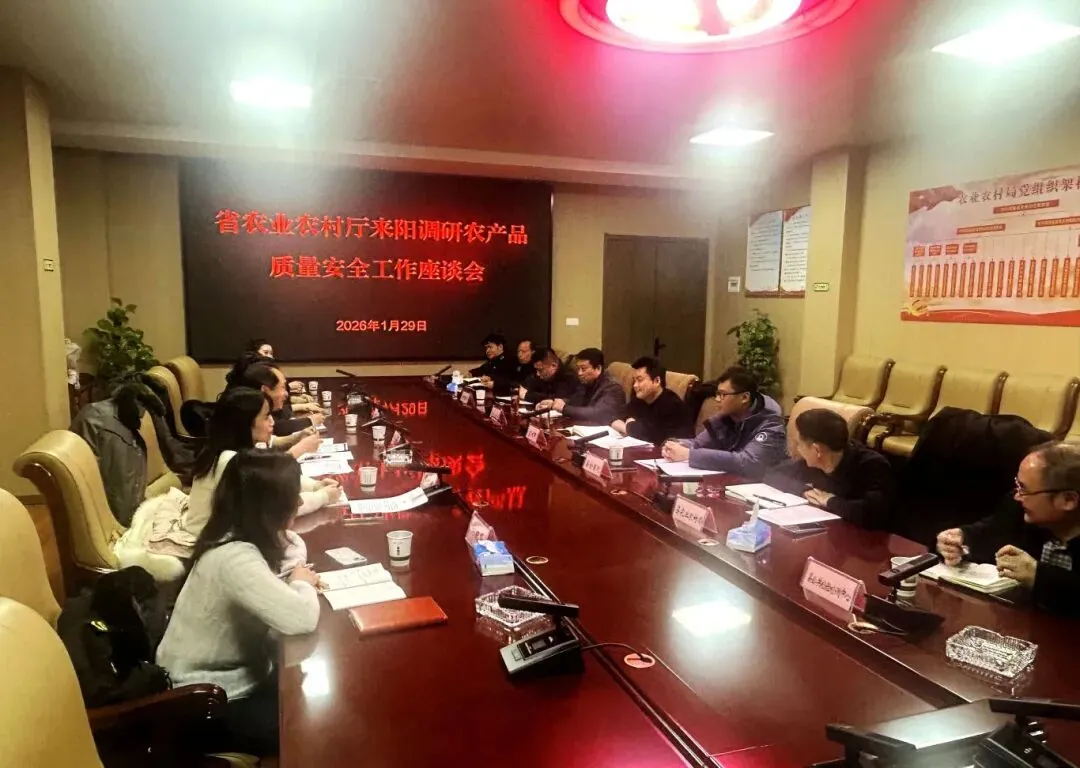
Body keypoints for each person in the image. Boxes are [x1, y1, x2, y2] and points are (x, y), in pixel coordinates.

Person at [157, 450, 322, 756]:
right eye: (293, 497)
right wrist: (301, 583)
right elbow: (302, 618)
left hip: (233, 679)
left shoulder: (234, 535)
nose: (300, 502)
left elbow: (291, 546)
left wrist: (296, 574)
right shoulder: (234, 558)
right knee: (315, 722)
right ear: (269, 507)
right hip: (205, 703)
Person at [936, 441, 1080, 615]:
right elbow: (987, 534)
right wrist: (958, 541)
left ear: (1068, 500)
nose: (1017, 496)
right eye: (1018, 485)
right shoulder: (1019, 509)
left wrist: (1038, 576)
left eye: (1024, 489)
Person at [180, 388, 333, 539]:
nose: (272, 421)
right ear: (245, 423)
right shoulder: (230, 460)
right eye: (266, 417)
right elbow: (275, 510)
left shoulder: (233, 450)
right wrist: (323, 497)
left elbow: (272, 480)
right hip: (210, 542)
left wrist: (315, 486)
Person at [764, 408, 895, 529]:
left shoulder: (872, 465)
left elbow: (874, 514)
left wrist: (830, 501)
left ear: (816, 450)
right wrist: (804, 491)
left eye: (799, 444)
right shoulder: (814, 461)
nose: (797, 449)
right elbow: (772, 474)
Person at [661, 366, 785, 479]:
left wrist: (690, 455)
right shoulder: (725, 418)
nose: (717, 399)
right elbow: (698, 444)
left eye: (723, 394)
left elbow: (748, 462)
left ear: (744, 398)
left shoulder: (771, 422)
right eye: (717, 394)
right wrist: (674, 445)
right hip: (732, 484)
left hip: (767, 486)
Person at [611, 357, 693, 445]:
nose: (635, 385)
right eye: (634, 380)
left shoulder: (672, 405)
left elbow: (653, 437)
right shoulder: (640, 398)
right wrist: (631, 426)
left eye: (640, 380)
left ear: (657, 381)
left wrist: (628, 426)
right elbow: (616, 418)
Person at [236, 361, 325, 437]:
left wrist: (302, 406)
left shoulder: (255, 407)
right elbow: (277, 427)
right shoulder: (248, 421)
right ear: (265, 390)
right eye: (282, 387)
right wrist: (310, 420)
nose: (286, 394)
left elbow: (279, 414)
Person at [539, 347, 624, 425]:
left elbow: (598, 414)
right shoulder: (586, 383)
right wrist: (556, 403)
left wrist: (564, 408)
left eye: (583, 369)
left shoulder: (613, 388)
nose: (579, 373)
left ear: (598, 368)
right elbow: (576, 401)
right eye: (578, 369)